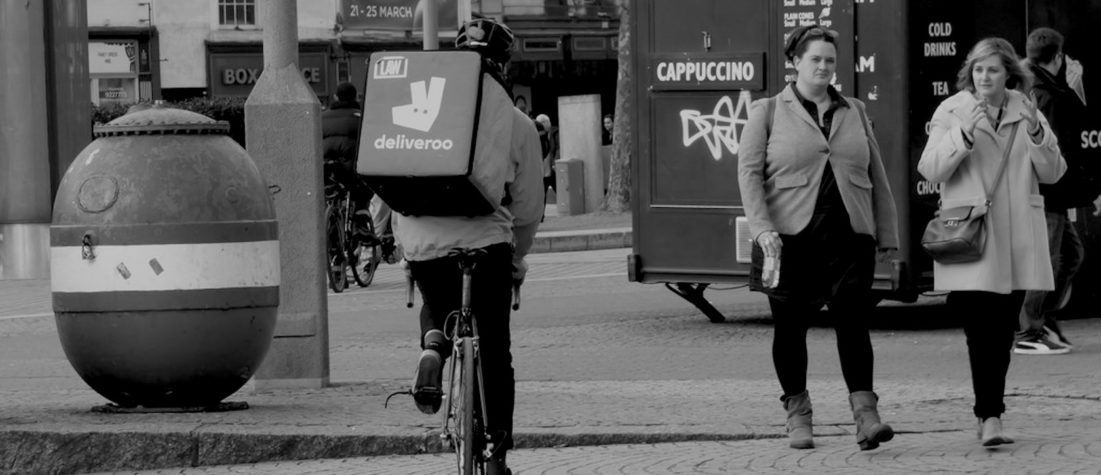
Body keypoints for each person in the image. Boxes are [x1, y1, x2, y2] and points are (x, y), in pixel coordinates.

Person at [737, 24, 899, 451]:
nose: (824, 66)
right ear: (795, 62)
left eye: (830, 59)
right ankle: (798, 414)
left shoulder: (855, 110)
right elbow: (749, 173)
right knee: (790, 330)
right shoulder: (768, 111)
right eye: (816, 59)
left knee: (854, 326)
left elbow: (876, 175)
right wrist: (761, 228)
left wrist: (887, 233)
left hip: (849, 238)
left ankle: (866, 417)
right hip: (789, 239)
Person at [401, 17, 543, 475]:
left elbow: (386, 178)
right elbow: (527, 209)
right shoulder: (518, 123)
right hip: (486, 248)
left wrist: (400, 239)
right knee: (496, 350)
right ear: (502, 63)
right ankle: (497, 453)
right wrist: (517, 260)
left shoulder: (424, 107)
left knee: (435, 298)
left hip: (423, 241)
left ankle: (432, 350)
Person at [918, 37, 1065, 446]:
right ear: (970, 72)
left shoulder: (1026, 110)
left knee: (1002, 333)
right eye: (978, 69)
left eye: (993, 70)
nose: (985, 77)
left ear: (1008, 74)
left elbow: (1053, 172)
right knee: (980, 331)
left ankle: (989, 412)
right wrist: (963, 135)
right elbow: (930, 168)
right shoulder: (952, 110)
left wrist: (1037, 131)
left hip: (1017, 233)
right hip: (972, 237)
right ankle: (990, 416)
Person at [1015, 28, 1098, 355]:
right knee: (1046, 262)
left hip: (1051, 194)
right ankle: (1028, 331)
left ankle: (1040, 318)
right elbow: (1060, 149)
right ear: (1059, 57)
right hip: (1046, 193)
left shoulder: (1040, 85)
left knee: (1070, 256)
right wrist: (1092, 193)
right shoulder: (1045, 93)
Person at [322, 82, 373, 240]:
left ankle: (329, 224)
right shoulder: (362, 117)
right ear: (356, 96)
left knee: (328, 195)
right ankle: (360, 221)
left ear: (336, 97)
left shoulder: (321, 117)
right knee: (364, 189)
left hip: (325, 168)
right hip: (350, 169)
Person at [535, 113, 559, 193]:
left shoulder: (555, 133)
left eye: (540, 123)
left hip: (552, 169)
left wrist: (555, 162)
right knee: (542, 196)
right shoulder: (538, 134)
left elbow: (558, 148)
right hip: (543, 171)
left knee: (560, 193)